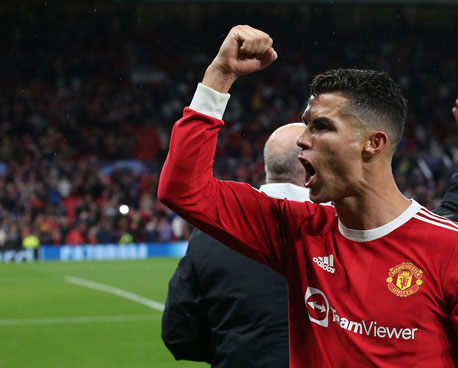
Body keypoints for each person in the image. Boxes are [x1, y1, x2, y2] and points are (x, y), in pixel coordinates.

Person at [158, 25, 458, 366]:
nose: (302, 139)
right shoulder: (298, 231)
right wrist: (220, 75)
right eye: (306, 125)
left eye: (321, 126)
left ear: (373, 143)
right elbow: (183, 190)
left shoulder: (449, 250)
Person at [162, 123, 311, 367]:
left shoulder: (210, 235)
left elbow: (179, 332)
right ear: (312, 167)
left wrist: (233, 349)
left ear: (267, 167)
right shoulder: (342, 229)